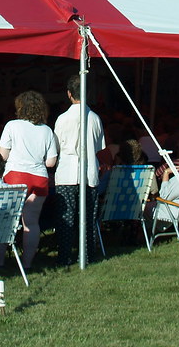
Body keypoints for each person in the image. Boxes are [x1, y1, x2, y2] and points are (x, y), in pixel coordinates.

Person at [0, 91, 59, 269]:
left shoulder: (12, 125)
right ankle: (27, 264)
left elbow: (2, 155)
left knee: (5, 221)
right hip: (39, 178)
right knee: (31, 222)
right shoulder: (47, 130)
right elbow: (51, 162)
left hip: (15, 176)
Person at [53, 75, 105, 266]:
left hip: (67, 172)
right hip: (88, 171)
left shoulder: (62, 119)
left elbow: (56, 146)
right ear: (88, 93)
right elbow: (100, 147)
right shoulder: (95, 118)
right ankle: (88, 254)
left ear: (69, 94)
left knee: (66, 218)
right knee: (88, 218)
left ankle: (65, 256)